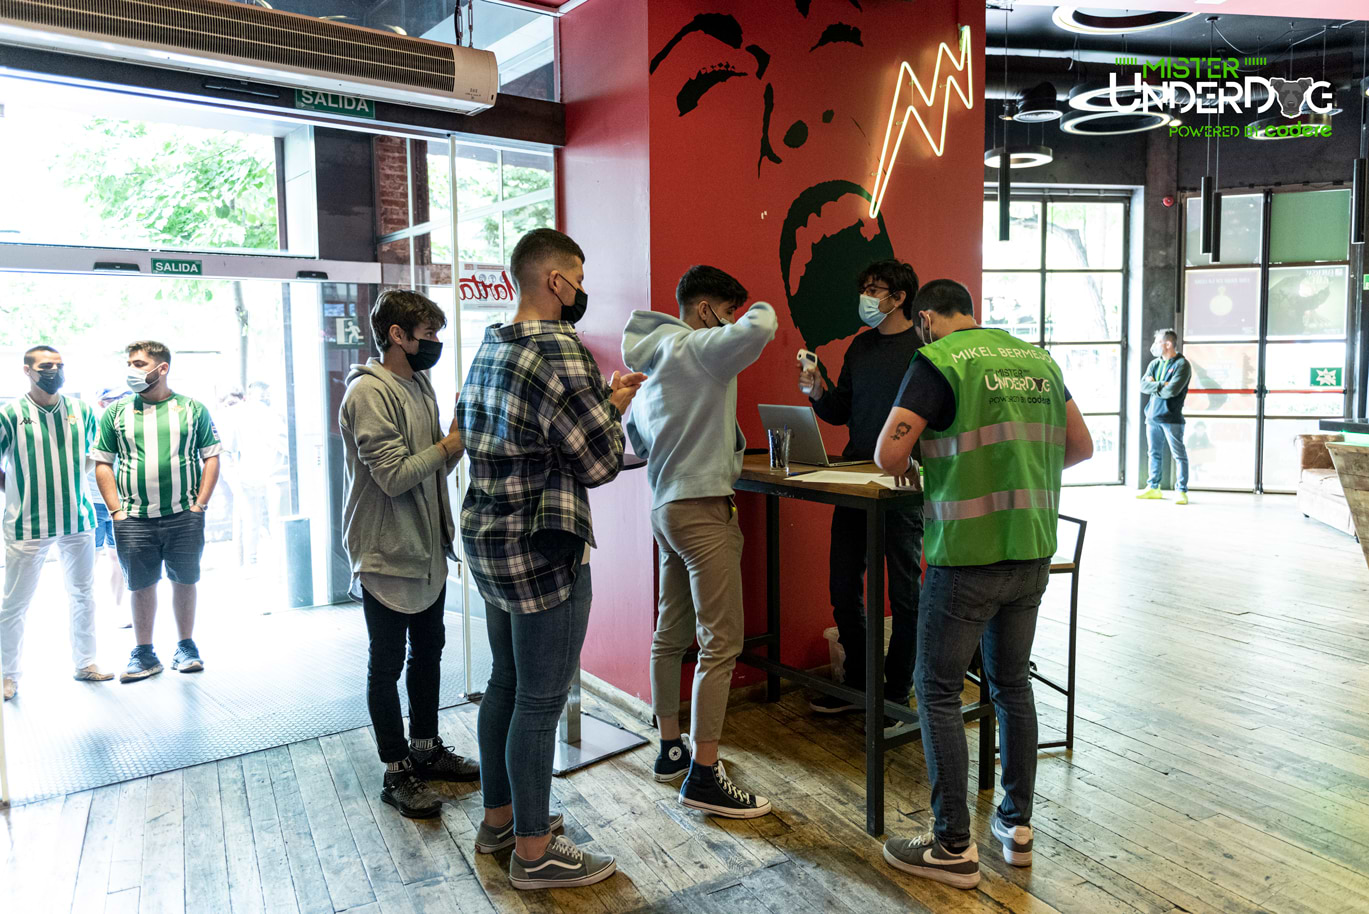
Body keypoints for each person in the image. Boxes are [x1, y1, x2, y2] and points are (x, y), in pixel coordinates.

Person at [872, 280, 1094, 889]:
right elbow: (1080, 446)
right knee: (1011, 684)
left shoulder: (939, 361)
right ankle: (1017, 829)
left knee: (937, 689)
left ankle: (951, 846)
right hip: (1031, 548)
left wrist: (929, 466)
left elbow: (888, 456)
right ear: (971, 312)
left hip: (966, 554)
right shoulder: (1037, 360)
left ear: (925, 319)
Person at [457, 228, 643, 891]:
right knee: (541, 700)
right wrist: (614, 410)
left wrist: (602, 405)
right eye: (578, 279)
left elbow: (509, 431)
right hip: (541, 545)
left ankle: (501, 822)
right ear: (555, 281)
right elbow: (598, 461)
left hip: (488, 538)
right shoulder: (560, 349)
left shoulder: (492, 343)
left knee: (506, 684)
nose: (582, 291)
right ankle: (534, 854)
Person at [622, 265, 777, 818]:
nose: (733, 321)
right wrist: (744, 314)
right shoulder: (698, 348)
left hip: (666, 509)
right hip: (705, 511)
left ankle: (671, 750)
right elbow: (763, 324)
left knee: (671, 634)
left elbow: (636, 441)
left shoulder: (652, 363)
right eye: (726, 312)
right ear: (707, 310)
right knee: (720, 643)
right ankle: (705, 776)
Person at [339, 289, 479, 821]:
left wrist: (454, 444)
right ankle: (396, 771)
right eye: (429, 333)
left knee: (429, 652)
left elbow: (432, 468)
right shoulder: (367, 393)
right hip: (385, 551)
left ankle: (426, 749)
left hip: (426, 548)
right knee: (386, 664)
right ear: (397, 335)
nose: (436, 343)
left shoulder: (420, 385)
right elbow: (395, 476)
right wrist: (451, 444)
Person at [799, 259, 924, 717]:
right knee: (843, 585)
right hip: (854, 478)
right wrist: (818, 390)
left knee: (905, 594)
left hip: (904, 485)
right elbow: (840, 410)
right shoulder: (860, 346)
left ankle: (897, 692)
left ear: (899, 297)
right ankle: (857, 682)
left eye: (875, 289)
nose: (866, 297)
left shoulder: (925, 348)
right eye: (865, 288)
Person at [91, 341, 222, 683]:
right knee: (141, 585)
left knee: (185, 580)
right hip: (133, 518)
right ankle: (144, 652)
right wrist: (116, 511)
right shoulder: (116, 413)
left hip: (183, 515)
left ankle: (186, 647)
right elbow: (102, 463)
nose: (131, 370)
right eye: (129, 363)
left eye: (138, 363)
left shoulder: (192, 409)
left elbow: (211, 456)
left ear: (162, 368)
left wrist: (200, 505)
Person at [0, 345, 112, 701]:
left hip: (78, 518)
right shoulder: (9, 414)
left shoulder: (82, 410)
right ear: (27, 371)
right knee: (15, 602)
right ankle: (7, 675)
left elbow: (96, 455)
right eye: (46, 366)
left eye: (59, 365)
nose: (55, 372)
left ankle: (86, 663)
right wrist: (15, 490)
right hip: (27, 524)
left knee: (83, 594)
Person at [1137, 328, 1191, 505]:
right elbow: (1143, 386)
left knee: (1179, 455)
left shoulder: (1182, 365)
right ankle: (1153, 487)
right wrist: (1162, 384)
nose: (1154, 346)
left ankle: (1181, 490)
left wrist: (1155, 385)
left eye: (1157, 342)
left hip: (1171, 418)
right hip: (1152, 417)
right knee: (1153, 453)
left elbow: (1172, 391)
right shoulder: (1155, 364)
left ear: (1167, 344)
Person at [91, 388, 130, 627]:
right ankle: (86, 610)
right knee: (90, 559)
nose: (120, 403)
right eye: (114, 399)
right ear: (102, 403)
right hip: (93, 502)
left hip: (119, 502)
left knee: (118, 557)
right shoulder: (91, 424)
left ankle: (118, 608)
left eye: (122, 398)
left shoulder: (127, 425)